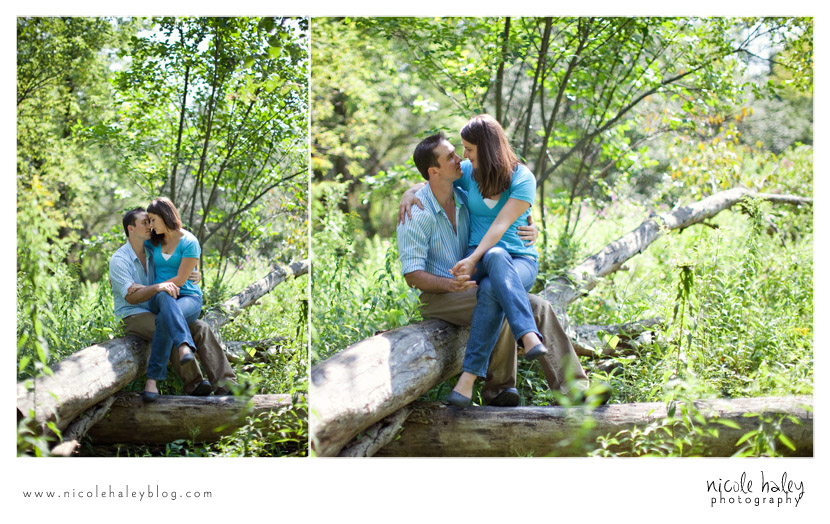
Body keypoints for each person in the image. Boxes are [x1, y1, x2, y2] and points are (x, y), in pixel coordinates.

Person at [397, 130, 589, 407]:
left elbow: (507, 211)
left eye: (459, 152)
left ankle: (574, 389)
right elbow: (412, 276)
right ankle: (498, 388)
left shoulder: (463, 197)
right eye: (450, 156)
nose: (459, 159)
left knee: (540, 306)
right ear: (434, 170)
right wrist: (450, 285)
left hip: (473, 285)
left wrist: (531, 227)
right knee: (498, 296)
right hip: (439, 298)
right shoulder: (415, 212)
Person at [109, 206, 237, 402]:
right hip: (133, 314)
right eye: (144, 222)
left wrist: (194, 275)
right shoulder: (119, 260)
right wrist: (158, 288)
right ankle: (193, 383)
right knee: (166, 325)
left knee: (201, 327)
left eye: (151, 221)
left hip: (160, 307)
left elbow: (177, 267)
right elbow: (132, 298)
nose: (150, 226)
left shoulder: (153, 249)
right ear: (130, 228)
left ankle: (226, 384)